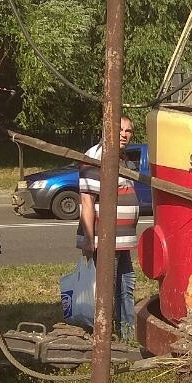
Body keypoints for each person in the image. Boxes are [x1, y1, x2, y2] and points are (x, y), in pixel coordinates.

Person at [77, 115, 139, 341]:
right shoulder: (96, 157)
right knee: (108, 286)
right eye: (120, 129)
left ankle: (127, 333)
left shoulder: (120, 156)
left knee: (126, 282)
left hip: (122, 239)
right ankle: (104, 335)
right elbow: (86, 201)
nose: (124, 134)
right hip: (106, 238)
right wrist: (88, 238)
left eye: (128, 131)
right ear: (106, 130)